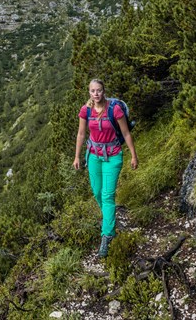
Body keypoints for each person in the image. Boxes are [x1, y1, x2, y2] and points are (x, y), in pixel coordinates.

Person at [73, 79, 138, 258]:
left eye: (99, 90)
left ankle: (107, 234)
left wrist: (133, 155)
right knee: (97, 192)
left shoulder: (114, 110)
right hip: (93, 155)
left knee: (108, 195)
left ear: (104, 91)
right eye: (93, 91)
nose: (96, 94)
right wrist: (77, 156)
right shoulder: (85, 110)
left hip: (113, 155)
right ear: (89, 93)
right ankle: (110, 220)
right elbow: (81, 133)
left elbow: (126, 133)